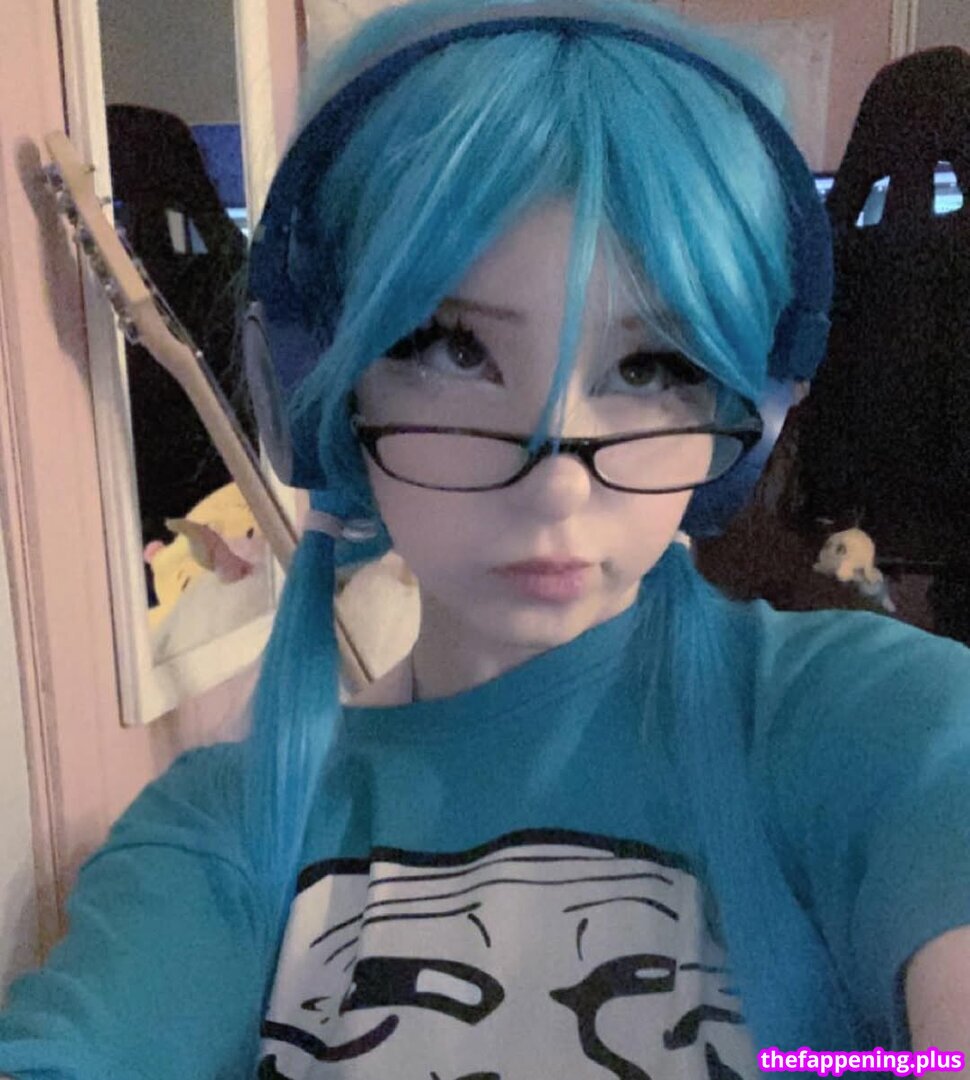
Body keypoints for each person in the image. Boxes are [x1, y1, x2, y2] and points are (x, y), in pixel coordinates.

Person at [3, 1, 970, 1077]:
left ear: (750, 413)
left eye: (652, 366)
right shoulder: (218, 834)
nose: (557, 486)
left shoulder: (874, 719)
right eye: (452, 349)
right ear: (325, 385)